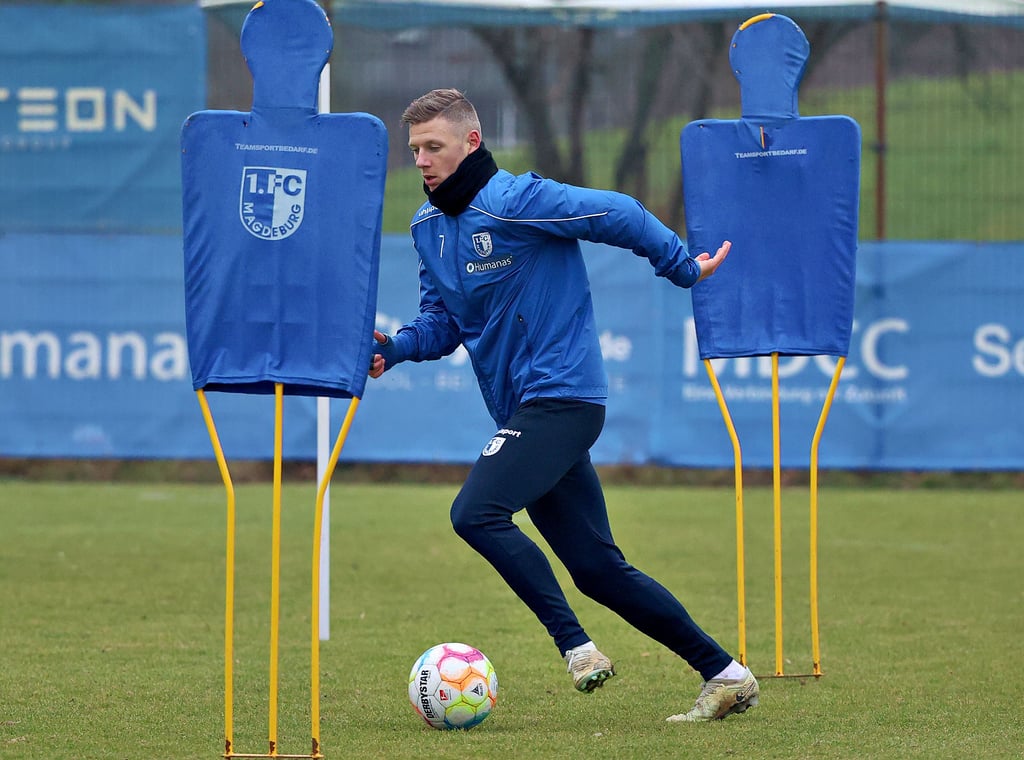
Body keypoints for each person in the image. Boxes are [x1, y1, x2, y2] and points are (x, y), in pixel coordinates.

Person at [369, 88, 758, 722]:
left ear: (471, 142)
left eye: (433, 146)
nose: (421, 160)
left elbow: (622, 212)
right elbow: (442, 323)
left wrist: (682, 267)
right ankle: (727, 673)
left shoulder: (519, 201)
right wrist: (398, 347)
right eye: (414, 149)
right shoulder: (427, 229)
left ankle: (576, 647)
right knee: (598, 570)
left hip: (565, 397)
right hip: (522, 412)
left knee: (475, 513)